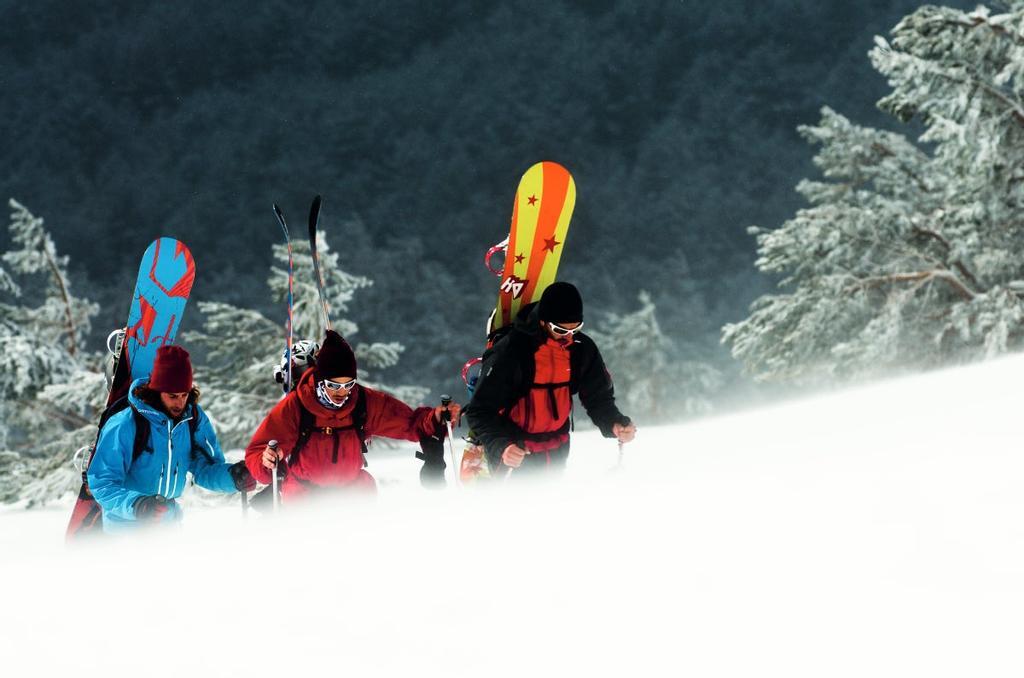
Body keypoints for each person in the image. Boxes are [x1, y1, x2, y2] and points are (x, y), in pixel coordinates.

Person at [244, 330, 460, 499]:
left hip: (353, 493)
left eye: (348, 384)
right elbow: (257, 452)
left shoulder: (362, 401)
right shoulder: (295, 406)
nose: (342, 393)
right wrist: (267, 460)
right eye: (333, 386)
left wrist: (436, 418)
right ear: (319, 380)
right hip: (305, 496)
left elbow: (411, 424)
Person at [464, 281, 636, 475]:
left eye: (575, 328)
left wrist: (614, 422)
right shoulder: (511, 351)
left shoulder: (582, 348)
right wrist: (502, 446)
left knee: (552, 504)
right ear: (543, 322)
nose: (568, 337)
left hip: (557, 450)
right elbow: (479, 411)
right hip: (513, 455)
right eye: (561, 330)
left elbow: (598, 397)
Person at [87, 345, 255, 532]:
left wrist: (234, 477)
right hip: (126, 528)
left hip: (169, 525)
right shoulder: (125, 424)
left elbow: (205, 468)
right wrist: (138, 505)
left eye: (184, 395)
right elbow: (102, 482)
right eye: (173, 396)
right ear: (156, 391)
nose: (180, 403)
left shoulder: (193, 420)